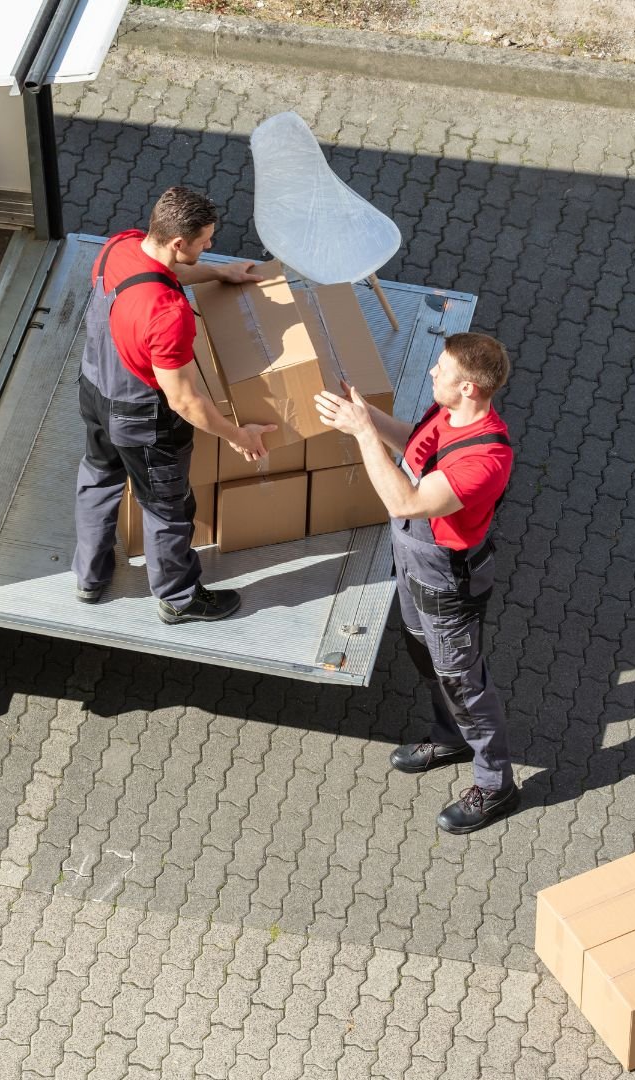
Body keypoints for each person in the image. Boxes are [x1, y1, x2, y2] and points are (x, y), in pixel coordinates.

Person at [314, 332, 518, 833]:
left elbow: (405, 500)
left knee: (463, 683)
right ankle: (450, 738)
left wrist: (364, 434)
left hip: (446, 582)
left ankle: (496, 785)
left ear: (468, 387)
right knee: (424, 656)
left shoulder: (485, 458)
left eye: (441, 369)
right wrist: (364, 414)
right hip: (412, 564)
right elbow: (415, 448)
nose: (432, 372)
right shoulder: (446, 413)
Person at [72, 186, 276, 623]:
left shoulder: (120, 245)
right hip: (142, 419)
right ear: (179, 242)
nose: (211, 245)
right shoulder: (168, 314)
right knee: (167, 507)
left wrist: (220, 273)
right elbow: (183, 400)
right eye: (205, 241)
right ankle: (179, 598)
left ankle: (89, 577)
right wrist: (237, 435)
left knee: (99, 478)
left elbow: (160, 273)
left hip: (94, 388)